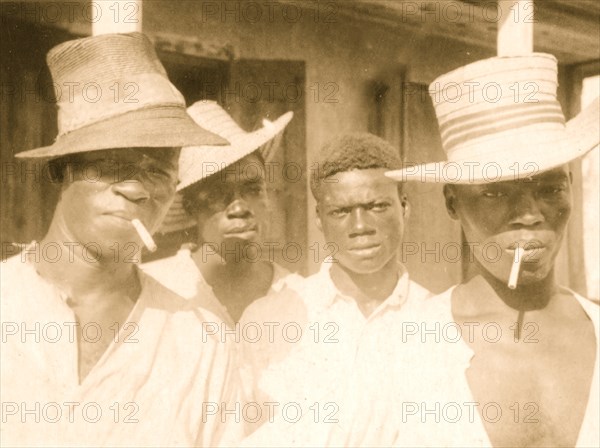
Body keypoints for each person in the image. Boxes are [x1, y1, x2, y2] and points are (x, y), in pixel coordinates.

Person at [0, 32, 240, 447]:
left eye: (158, 171)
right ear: (62, 171)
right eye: (112, 164)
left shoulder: (201, 342)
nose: (136, 189)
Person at [376, 53, 599, 447]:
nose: (529, 214)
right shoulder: (403, 345)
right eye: (495, 192)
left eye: (549, 189)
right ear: (452, 203)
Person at [237, 133, 431, 442]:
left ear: (404, 207)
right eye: (341, 212)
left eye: (378, 206)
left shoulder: (438, 320)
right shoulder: (269, 319)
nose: (360, 227)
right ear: (319, 218)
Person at [142, 100, 297, 326]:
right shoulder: (155, 289)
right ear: (191, 208)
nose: (240, 209)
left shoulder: (298, 297)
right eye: (216, 194)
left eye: (253, 190)